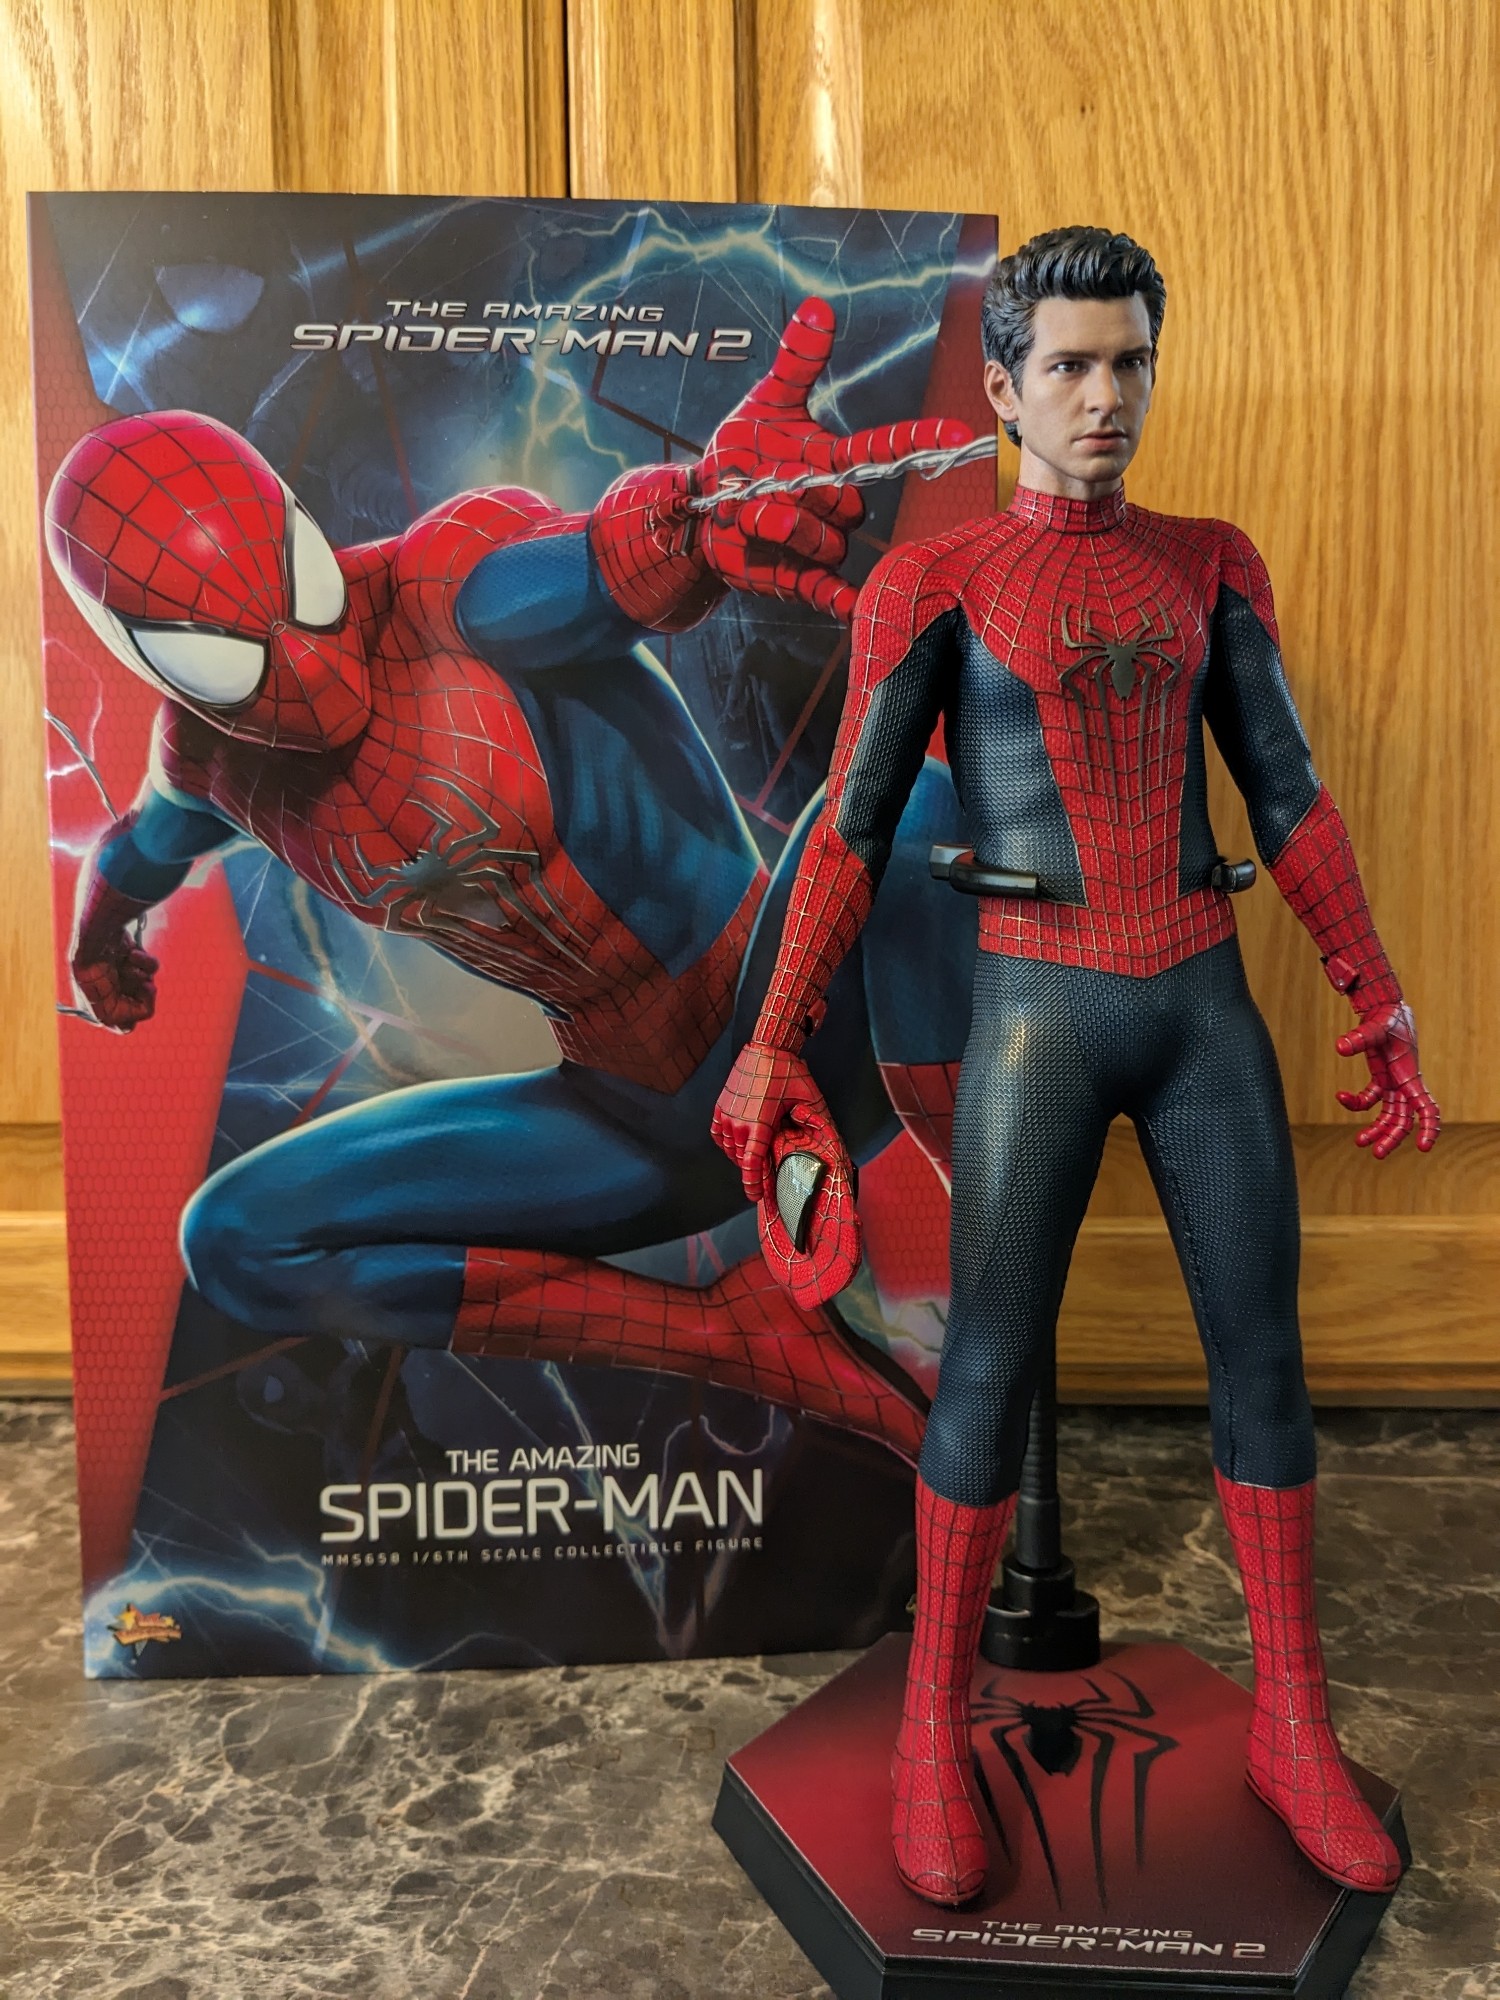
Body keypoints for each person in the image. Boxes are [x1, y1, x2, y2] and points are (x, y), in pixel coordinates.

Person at [712, 228, 1439, 1903]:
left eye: (1131, 364)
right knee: (981, 1370)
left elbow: (1286, 790)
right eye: (1070, 366)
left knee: (1265, 1363)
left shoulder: (1209, 564)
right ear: (1003, 385)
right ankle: (931, 1731)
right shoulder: (938, 582)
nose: (1105, 398)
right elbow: (850, 829)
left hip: (1199, 1005)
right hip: (1034, 1007)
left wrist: (1373, 988)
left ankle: (1295, 1728)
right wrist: (769, 1039)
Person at [48, 300, 977, 1467]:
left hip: (798, 1041)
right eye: (217, 652)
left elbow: (598, 564)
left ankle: (989, 1250)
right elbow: (140, 845)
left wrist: (703, 511)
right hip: (628, 1128)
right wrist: (99, 932)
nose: (308, 662)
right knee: (234, 1238)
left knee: (913, 803)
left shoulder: (447, 591)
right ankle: (726, 1335)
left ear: (292, 522)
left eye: (297, 584)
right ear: (153, 660)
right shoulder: (216, 761)